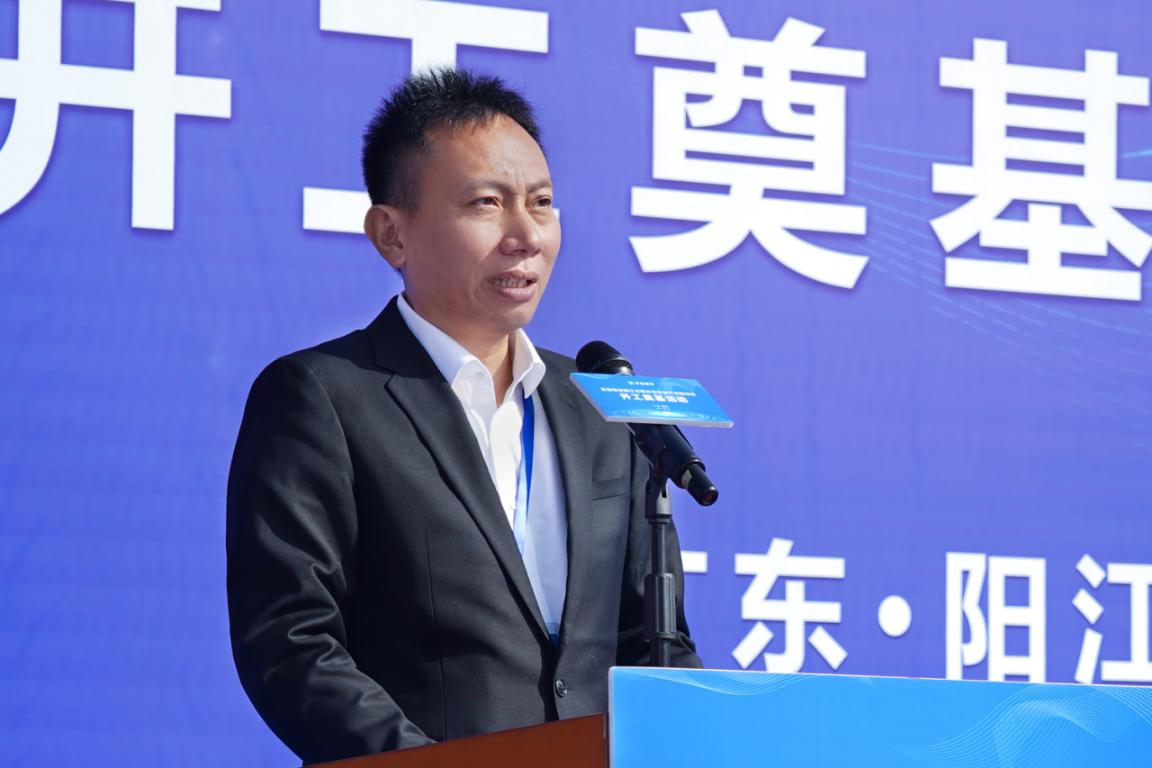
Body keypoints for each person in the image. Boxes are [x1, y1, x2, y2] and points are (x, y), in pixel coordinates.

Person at [226, 67, 701, 765]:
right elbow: (291, 643)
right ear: (392, 234)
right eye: (487, 203)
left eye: (542, 203)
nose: (526, 234)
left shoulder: (598, 403)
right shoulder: (322, 397)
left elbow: (651, 640)